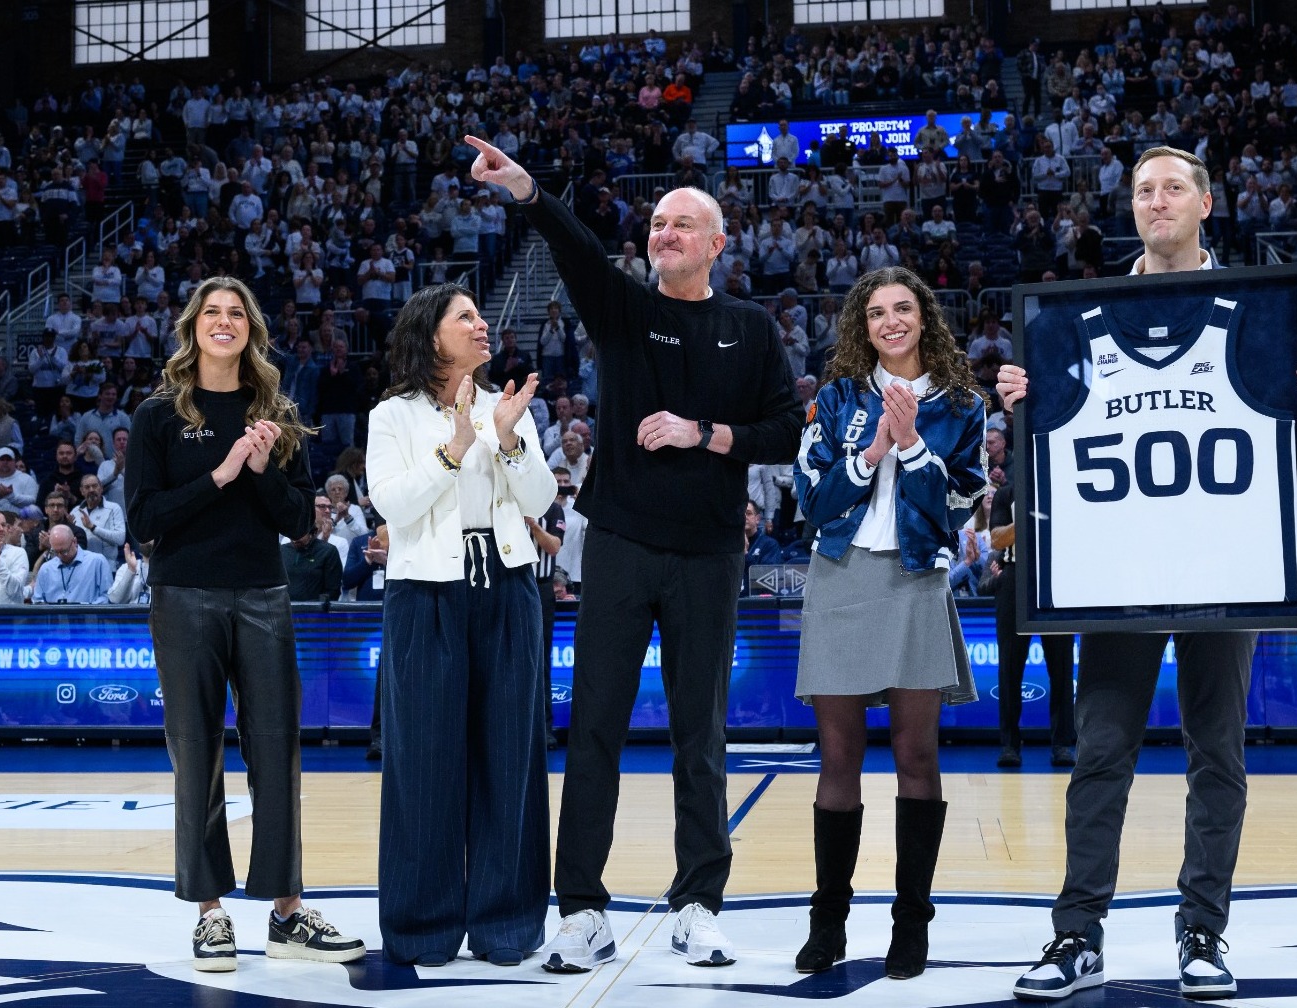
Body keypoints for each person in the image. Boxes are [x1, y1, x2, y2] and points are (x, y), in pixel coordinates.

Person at [993, 146, 1297, 1002]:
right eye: (1142, 190)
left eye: (1171, 187)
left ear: (1206, 203)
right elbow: (1051, 432)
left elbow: (1278, 428)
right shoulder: (1074, 317)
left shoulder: (1262, 314)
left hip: (1227, 565)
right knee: (1099, 752)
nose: (1156, 200)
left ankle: (1203, 931)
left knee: (1214, 753)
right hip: (1118, 569)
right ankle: (1076, 936)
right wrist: (1020, 398)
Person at [463, 134, 802, 972]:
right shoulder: (624, 309)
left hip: (708, 554)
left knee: (701, 735)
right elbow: (577, 249)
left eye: (683, 225)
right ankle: (580, 909)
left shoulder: (750, 327)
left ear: (718, 244)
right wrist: (528, 193)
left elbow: (787, 431)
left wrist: (706, 434)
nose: (665, 233)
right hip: (615, 544)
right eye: (657, 223)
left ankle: (698, 902)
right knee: (595, 732)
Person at [127, 275, 364, 972]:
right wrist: (223, 473)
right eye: (212, 313)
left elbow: (298, 522)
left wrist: (260, 468)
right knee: (195, 756)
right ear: (192, 326)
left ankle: (287, 913)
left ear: (250, 329)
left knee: (275, 756)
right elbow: (144, 523)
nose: (223, 322)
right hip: (184, 596)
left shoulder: (277, 412)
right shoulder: (158, 415)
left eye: (236, 313)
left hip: (263, 595)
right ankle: (209, 915)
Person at [790, 266, 985, 980]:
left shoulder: (962, 404)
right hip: (840, 578)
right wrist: (872, 451)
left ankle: (911, 924)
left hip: (913, 581)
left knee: (916, 757)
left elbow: (956, 512)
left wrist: (911, 447)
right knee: (837, 759)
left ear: (923, 317)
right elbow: (810, 500)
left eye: (903, 308)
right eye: (876, 313)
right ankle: (828, 922)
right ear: (862, 326)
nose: (890, 322)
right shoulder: (837, 396)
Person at [367, 283, 553, 966]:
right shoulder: (392, 415)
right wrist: (453, 450)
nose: (482, 325)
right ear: (431, 333)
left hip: (508, 586)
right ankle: (422, 926)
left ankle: (508, 924)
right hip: (426, 596)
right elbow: (394, 505)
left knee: (511, 760)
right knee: (423, 765)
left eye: (481, 315)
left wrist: (507, 440)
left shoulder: (509, 407)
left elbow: (539, 499)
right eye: (465, 317)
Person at [989, 477, 1077, 768]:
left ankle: (1063, 744)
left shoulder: (1064, 487)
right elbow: (997, 538)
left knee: (1062, 668)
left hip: (1056, 578)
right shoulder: (1006, 493)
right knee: (1010, 668)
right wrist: (1030, 518)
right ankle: (1009, 745)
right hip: (1015, 578)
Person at [31, 524, 114, 604]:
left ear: (74, 541)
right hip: (54, 617)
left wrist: (87, 610)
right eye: (56, 552)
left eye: (64, 551)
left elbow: (108, 597)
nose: (60, 556)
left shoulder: (97, 562)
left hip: (88, 617)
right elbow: (37, 600)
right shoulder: (46, 568)